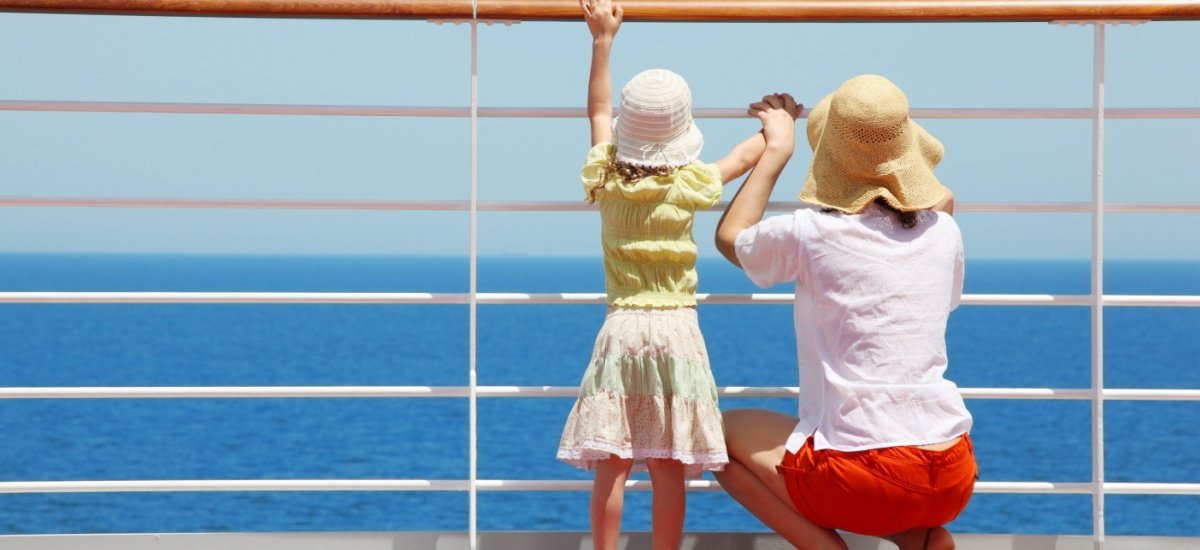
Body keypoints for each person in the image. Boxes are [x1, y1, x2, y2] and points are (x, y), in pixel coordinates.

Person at [712, 76, 975, 550]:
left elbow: (733, 239)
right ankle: (915, 535)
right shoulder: (944, 233)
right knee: (895, 489)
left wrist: (776, 151)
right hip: (951, 471)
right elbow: (941, 211)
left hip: (859, 477)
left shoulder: (810, 232)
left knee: (715, 435)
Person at [556, 1, 777, 548]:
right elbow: (744, 156)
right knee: (668, 464)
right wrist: (779, 121)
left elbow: (598, 109)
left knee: (613, 462)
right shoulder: (690, 185)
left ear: (628, 131)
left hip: (622, 328)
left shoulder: (605, 175)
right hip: (677, 330)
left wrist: (602, 41)